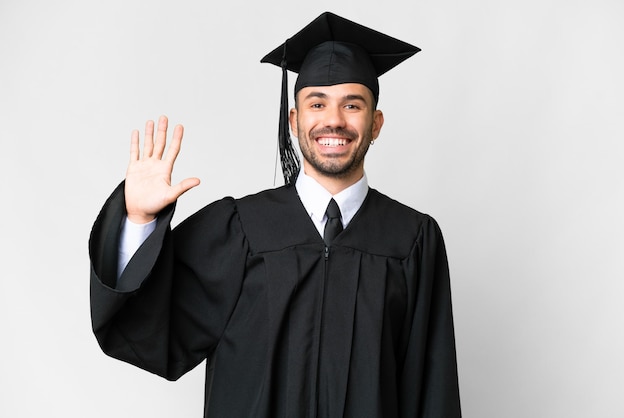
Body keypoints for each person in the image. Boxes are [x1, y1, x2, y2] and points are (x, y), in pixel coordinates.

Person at [89, 11, 461, 417]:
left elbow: (432, 391)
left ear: (375, 124)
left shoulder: (412, 240)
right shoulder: (238, 230)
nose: (333, 120)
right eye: (317, 103)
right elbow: (149, 336)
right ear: (294, 120)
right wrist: (139, 221)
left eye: (352, 105)